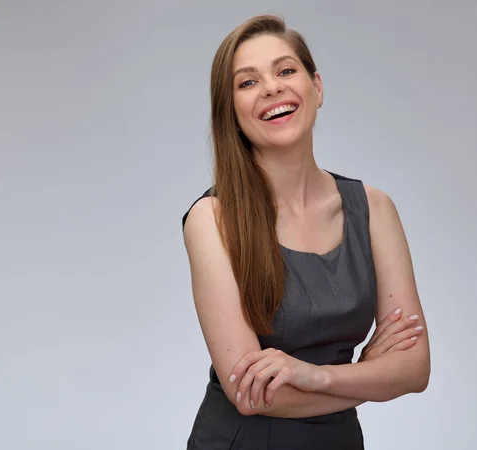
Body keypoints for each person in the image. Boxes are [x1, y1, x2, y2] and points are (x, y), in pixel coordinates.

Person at [181, 14, 430, 450]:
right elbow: (250, 395)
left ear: (316, 87)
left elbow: (413, 370)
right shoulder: (212, 219)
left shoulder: (374, 209)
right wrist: (369, 376)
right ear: (232, 113)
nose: (272, 87)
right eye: (247, 82)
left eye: (285, 70)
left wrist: (314, 375)